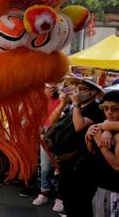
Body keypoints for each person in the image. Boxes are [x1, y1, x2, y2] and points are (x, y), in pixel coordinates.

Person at [59, 77, 106, 217]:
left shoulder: (95, 110)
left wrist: (76, 105)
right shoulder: (74, 107)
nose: (78, 91)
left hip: (82, 162)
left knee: (78, 201)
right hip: (67, 161)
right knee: (66, 195)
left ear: (93, 93)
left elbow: (79, 126)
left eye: (83, 89)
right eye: (77, 88)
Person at [85, 90, 119, 217]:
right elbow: (91, 151)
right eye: (105, 108)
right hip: (100, 185)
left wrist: (99, 140)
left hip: (113, 190)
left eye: (114, 109)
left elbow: (117, 166)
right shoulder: (103, 125)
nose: (109, 112)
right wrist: (90, 138)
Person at [32, 84, 63, 212]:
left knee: (60, 168)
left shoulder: (65, 99)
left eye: (56, 83)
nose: (52, 86)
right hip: (43, 134)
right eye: (48, 84)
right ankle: (44, 193)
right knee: (45, 167)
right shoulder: (41, 99)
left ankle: (60, 197)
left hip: (59, 134)